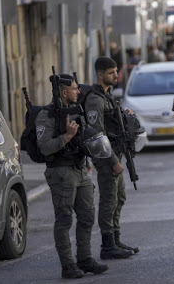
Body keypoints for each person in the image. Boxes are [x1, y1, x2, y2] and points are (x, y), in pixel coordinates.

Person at [36, 74, 109, 279]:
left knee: (87, 216)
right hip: (60, 172)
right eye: (75, 89)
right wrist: (66, 137)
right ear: (64, 92)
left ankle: (84, 259)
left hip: (79, 169)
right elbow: (45, 148)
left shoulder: (77, 111)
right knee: (64, 219)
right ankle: (68, 265)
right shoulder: (47, 115)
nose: (78, 91)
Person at [84, 57, 138, 260]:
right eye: (111, 73)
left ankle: (115, 239)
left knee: (119, 197)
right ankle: (107, 246)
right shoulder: (95, 100)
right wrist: (114, 160)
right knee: (108, 200)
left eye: (116, 71)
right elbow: (97, 134)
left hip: (114, 154)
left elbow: (113, 122)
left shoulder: (108, 96)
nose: (116, 75)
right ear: (100, 75)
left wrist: (126, 115)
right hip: (106, 157)